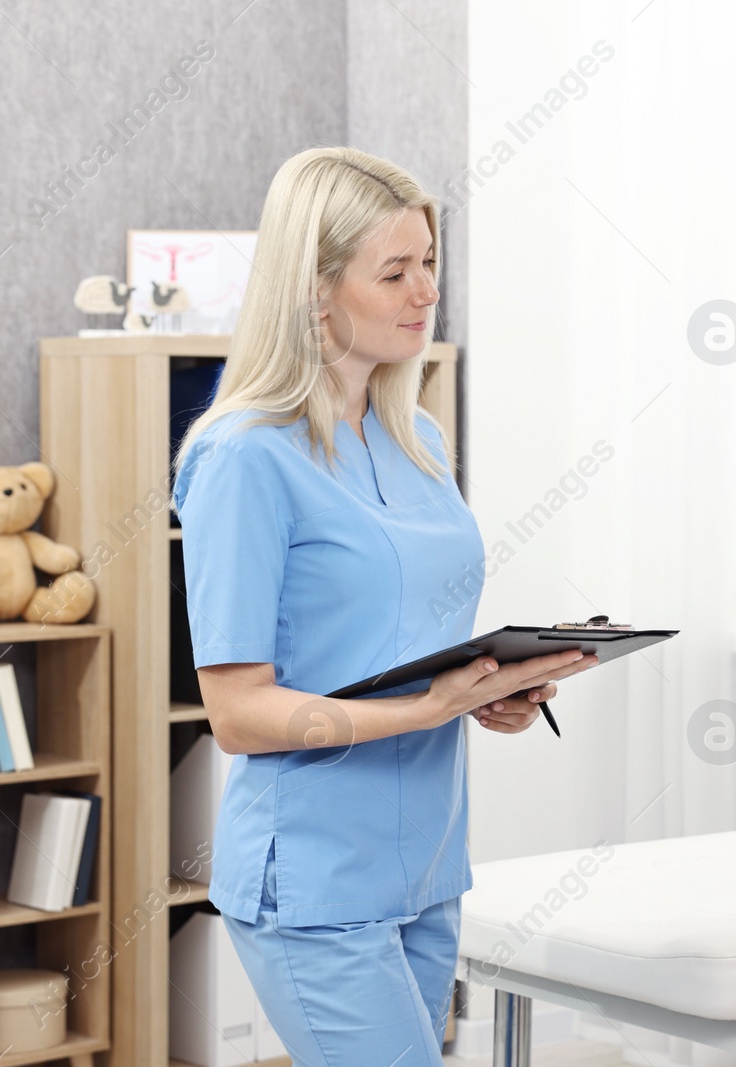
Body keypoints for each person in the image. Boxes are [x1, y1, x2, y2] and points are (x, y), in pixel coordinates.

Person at [170, 146, 596, 1066]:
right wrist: (429, 706)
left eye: (430, 264)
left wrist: (490, 688)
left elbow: (405, 640)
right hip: (316, 877)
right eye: (394, 271)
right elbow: (239, 713)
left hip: (426, 861)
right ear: (316, 290)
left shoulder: (418, 437)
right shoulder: (244, 457)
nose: (424, 290)